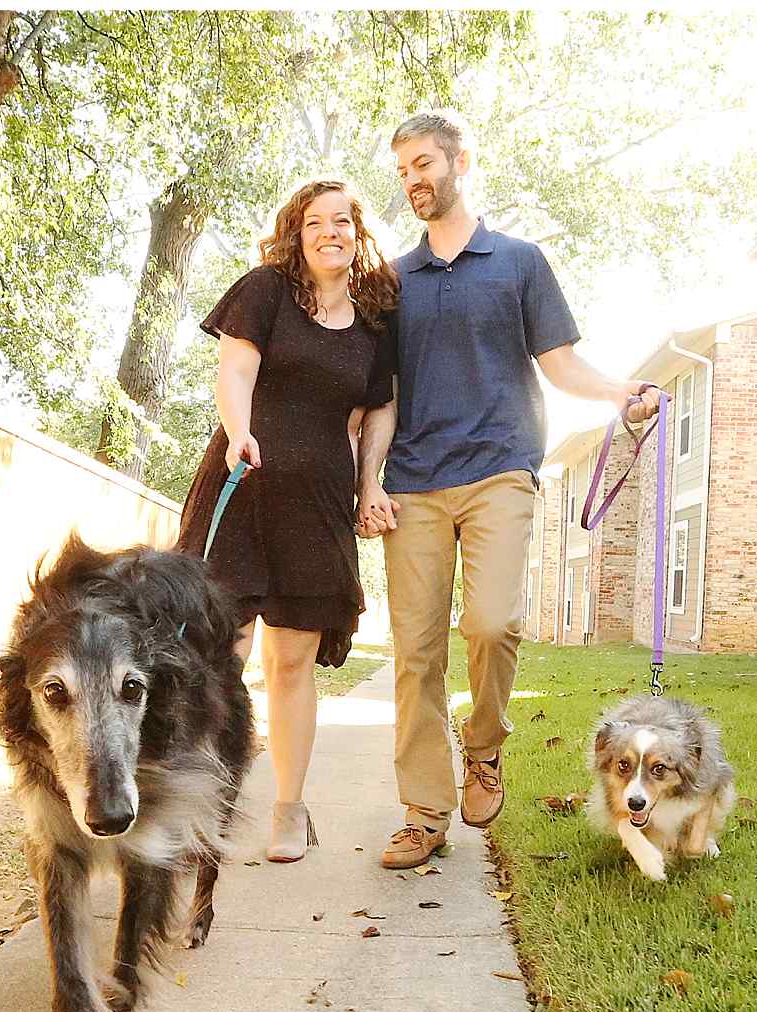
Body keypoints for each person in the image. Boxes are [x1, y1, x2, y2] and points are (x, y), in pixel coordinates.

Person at [354, 110, 663, 871]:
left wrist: (622, 391)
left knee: (490, 622)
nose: (413, 181)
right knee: (415, 653)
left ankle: (484, 749)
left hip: (499, 468)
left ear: (461, 160)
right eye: (402, 171)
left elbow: (560, 364)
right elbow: (382, 397)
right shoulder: (393, 279)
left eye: (423, 163)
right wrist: (368, 482)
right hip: (416, 481)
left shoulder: (520, 262)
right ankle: (424, 812)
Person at [175, 179, 399, 863]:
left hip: (318, 503)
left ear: (359, 233)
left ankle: (288, 808)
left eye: (342, 221)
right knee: (222, 649)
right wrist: (238, 431)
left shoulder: (374, 325)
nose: (328, 231)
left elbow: (377, 412)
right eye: (313, 222)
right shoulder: (266, 290)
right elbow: (235, 371)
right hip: (244, 484)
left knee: (292, 660)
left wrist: (370, 487)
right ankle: (204, 803)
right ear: (296, 233)